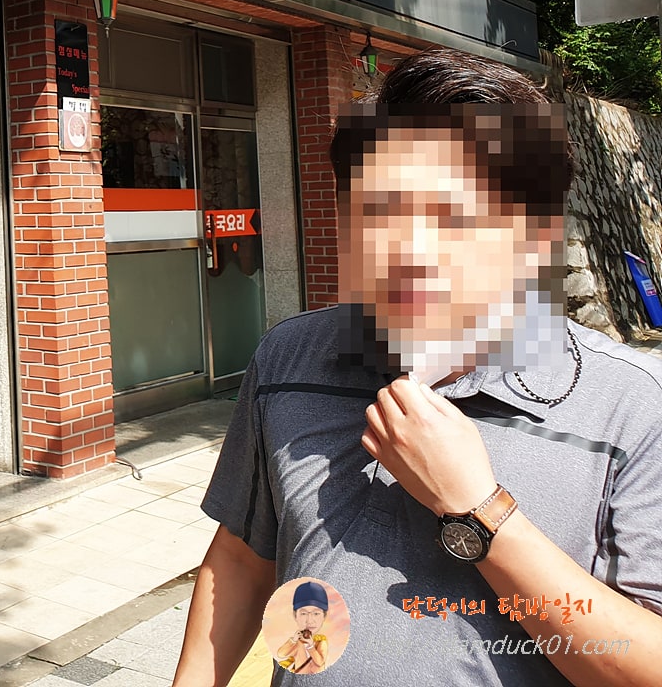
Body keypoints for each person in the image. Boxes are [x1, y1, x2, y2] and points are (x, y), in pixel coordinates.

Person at [170, 49, 662, 687]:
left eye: (455, 216)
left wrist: (477, 510)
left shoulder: (631, 404)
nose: (409, 250)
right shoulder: (288, 358)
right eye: (378, 210)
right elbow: (242, 557)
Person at [274, 581, 329, 674]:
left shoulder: (321, 642)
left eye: (316, 613)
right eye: (303, 613)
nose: (309, 620)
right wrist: (293, 640)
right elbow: (281, 654)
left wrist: (311, 646)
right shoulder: (298, 641)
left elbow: (320, 662)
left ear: (324, 616)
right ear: (295, 615)